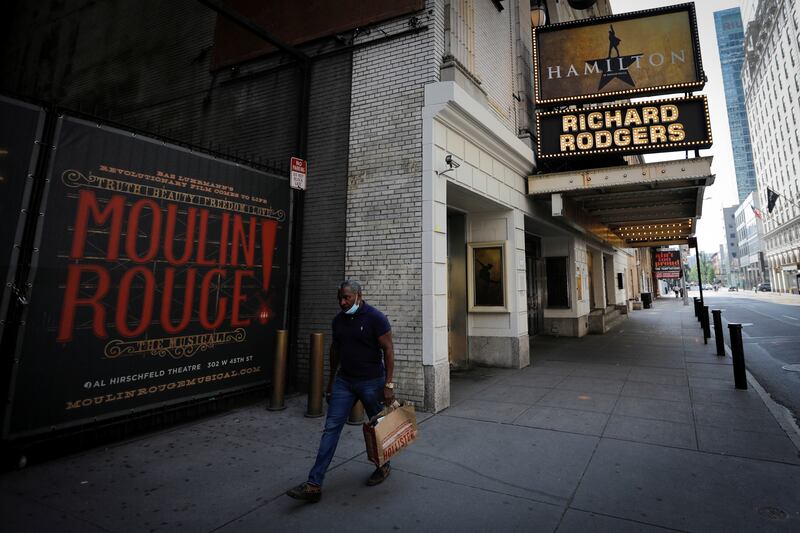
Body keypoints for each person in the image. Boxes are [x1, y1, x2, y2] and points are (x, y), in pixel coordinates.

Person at [286, 279, 396, 503]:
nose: (342, 302)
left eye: (346, 297)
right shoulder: (338, 321)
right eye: (340, 298)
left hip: (371, 382)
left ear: (358, 295)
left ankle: (383, 466)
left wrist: (388, 384)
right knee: (331, 429)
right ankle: (314, 484)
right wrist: (330, 381)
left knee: (378, 427)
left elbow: (388, 350)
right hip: (344, 382)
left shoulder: (375, 318)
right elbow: (335, 350)